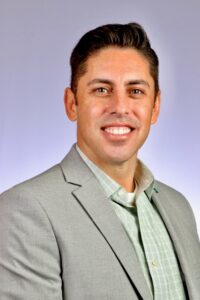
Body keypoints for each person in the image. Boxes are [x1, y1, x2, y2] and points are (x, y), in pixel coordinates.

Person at [0, 22, 199, 300]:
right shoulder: (25, 211)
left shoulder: (179, 208)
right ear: (72, 104)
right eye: (102, 90)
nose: (119, 106)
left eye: (136, 91)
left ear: (155, 107)